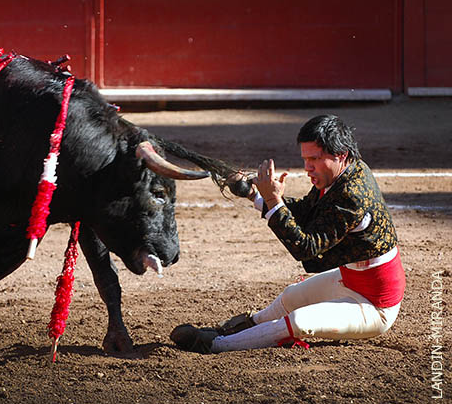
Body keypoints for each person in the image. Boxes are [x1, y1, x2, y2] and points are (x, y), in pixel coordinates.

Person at [170, 114, 406, 353]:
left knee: (299, 322)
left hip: (374, 306)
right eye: (305, 159)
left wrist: (274, 200)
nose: (308, 168)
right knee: (290, 297)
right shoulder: (341, 175)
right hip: (350, 281)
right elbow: (306, 211)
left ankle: (215, 345)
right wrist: (255, 194)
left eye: (314, 158)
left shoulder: (351, 194)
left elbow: (306, 248)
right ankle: (227, 330)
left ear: (341, 154)